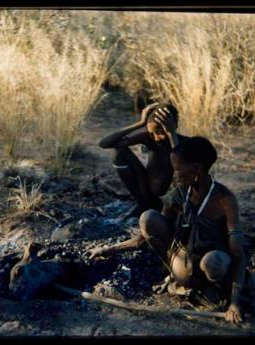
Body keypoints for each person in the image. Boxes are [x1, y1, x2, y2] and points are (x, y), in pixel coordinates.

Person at [88, 136, 246, 324]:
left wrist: (235, 304)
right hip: (181, 264)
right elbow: (143, 237)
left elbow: (239, 256)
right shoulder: (179, 194)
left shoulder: (225, 200)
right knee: (149, 218)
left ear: (196, 169)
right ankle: (173, 277)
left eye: (178, 169)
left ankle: (218, 292)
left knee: (214, 262)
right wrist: (107, 250)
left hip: (210, 266)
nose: (175, 175)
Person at [99, 102, 187, 220]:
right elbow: (104, 143)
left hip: (170, 199)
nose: (156, 137)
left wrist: (171, 135)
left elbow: (183, 167)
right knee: (119, 152)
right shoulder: (148, 137)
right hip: (147, 193)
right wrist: (139, 123)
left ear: (174, 126)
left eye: (161, 132)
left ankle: (162, 210)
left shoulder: (184, 144)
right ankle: (142, 205)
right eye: (152, 133)